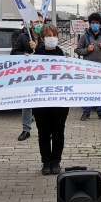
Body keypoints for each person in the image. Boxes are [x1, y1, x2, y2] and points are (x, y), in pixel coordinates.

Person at [32, 24, 69, 175]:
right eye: (48, 36)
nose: (52, 39)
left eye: (54, 36)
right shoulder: (35, 57)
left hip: (60, 101)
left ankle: (56, 161)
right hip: (40, 100)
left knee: (58, 132)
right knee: (43, 132)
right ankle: (46, 161)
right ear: (42, 39)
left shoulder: (64, 57)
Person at [74, 12, 101, 121]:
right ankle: (86, 112)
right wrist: (87, 50)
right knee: (88, 90)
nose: (95, 24)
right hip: (88, 68)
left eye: (97, 23)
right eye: (93, 23)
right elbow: (77, 50)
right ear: (90, 24)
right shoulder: (84, 36)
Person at [11, 13, 44, 141]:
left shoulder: (46, 37)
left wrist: (38, 47)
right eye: (36, 22)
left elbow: (52, 53)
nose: (39, 24)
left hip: (42, 74)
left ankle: (44, 129)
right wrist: (24, 54)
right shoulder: (23, 37)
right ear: (31, 24)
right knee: (27, 102)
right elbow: (14, 52)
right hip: (28, 74)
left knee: (42, 103)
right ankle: (26, 129)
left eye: (41, 22)